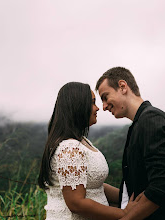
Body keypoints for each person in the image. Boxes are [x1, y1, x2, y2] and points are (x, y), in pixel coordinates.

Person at [95, 67, 165, 220]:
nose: (103, 106)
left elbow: (161, 186)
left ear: (123, 87)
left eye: (105, 97)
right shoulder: (139, 124)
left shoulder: (151, 120)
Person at [38, 82, 137, 220]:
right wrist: (125, 214)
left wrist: (129, 197)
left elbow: (95, 185)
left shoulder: (82, 142)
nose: (97, 108)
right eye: (92, 103)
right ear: (78, 106)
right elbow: (76, 203)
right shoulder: (69, 148)